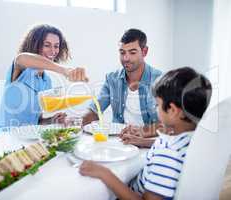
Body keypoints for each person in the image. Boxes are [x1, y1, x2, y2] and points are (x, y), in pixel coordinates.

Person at [79, 67, 212, 199]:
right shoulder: (192, 137)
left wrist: (105, 174)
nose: (156, 108)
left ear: (172, 110)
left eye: (158, 105)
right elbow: (166, 143)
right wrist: (143, 142)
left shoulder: (167, 154)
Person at [0, 24, 88, 136]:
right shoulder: (22, 69)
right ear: (35, 45)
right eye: (47, 45)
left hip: (26, 139)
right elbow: (21, 58)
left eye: (56, 46)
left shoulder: (47, 81)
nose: (53, 51)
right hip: (3, 138)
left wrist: (52, 120)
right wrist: (64, 70)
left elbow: (37, 120)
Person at [82, 28, 161, 147]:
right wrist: (76, 124)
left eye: (132, 52)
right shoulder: (112, 79)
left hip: (150, 143)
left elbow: (169, 124)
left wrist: (141, 132)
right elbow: (95, 109)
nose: (126, 58)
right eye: (122, 52)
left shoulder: (161, 80)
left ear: (144, 52)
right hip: (120, 142)